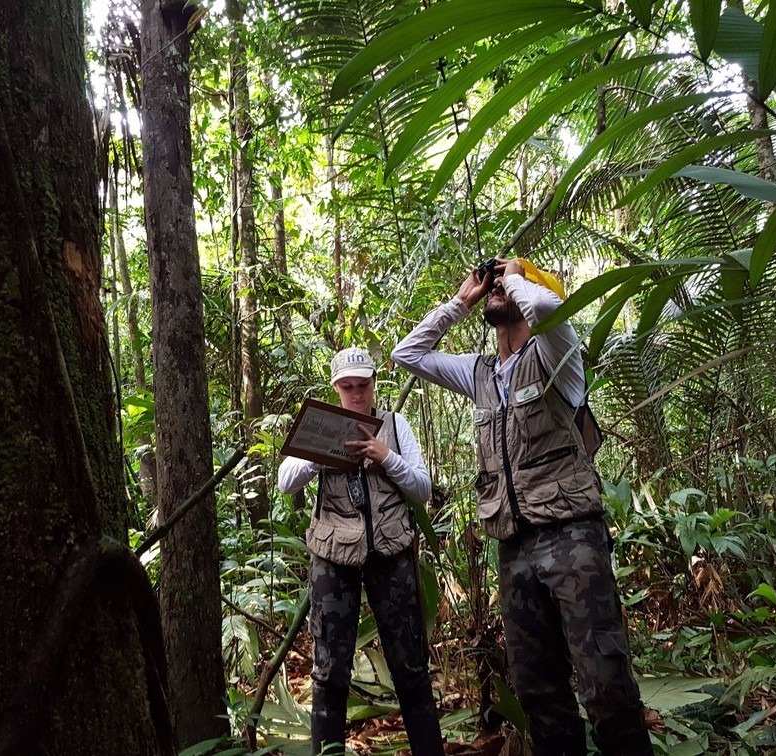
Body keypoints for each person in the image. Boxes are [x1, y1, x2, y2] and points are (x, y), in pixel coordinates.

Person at [391, 259, 652, 756]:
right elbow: (409, 354)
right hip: (513, 546)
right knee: (537, 688)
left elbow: (551, 308)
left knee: (605, 680)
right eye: (495, 284)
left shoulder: (558, 353)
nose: (497, 288)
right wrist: (462, 301)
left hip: (572, 535)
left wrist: (516, 274)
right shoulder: (479, 372)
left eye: (506, 286)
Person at [278, 347, 444, 755]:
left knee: (411, 671)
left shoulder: (395, 424)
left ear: (373, 384)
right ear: (336, 388)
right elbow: (285, 481)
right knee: (330, 673)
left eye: (363, 386)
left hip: (392, 555)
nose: (356, 394)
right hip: (333, 560)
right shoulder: (320, 424)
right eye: (347, 387)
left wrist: (385, 457)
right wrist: (322, 453)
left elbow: (422, 488)